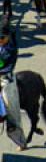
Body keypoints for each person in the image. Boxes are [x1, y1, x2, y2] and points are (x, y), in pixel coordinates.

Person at [0, 20, 26, 149]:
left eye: (1, 38)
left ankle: (19, 137)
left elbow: (4, 66)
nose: (0, 40)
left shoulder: (10, 49)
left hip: (5, 78)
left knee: (11, 107)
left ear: (8, 37)